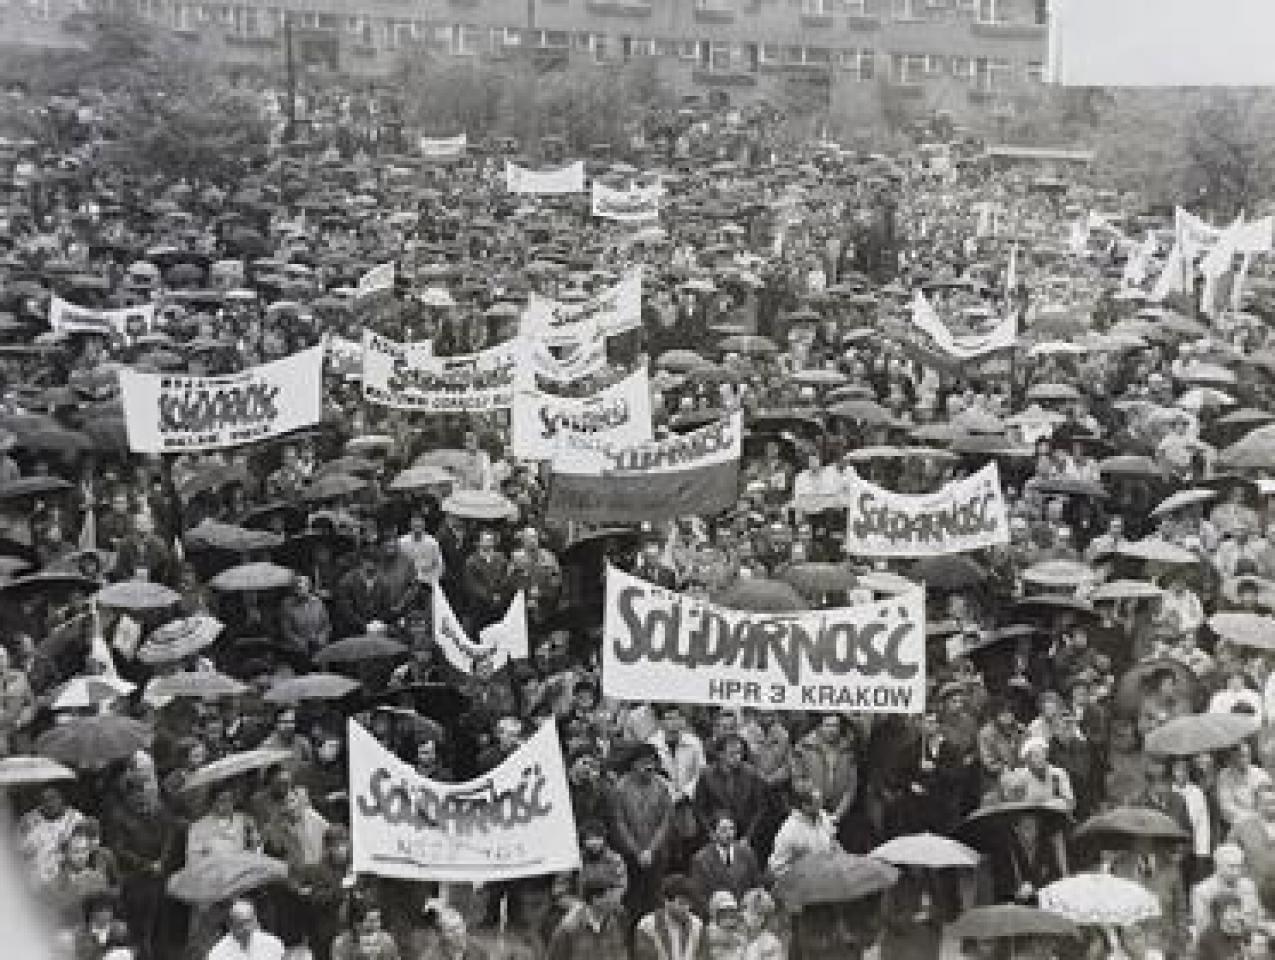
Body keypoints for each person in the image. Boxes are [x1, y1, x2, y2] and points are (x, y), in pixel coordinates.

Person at [611, 742, 674, 920]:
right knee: (632, 900)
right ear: (633, 764)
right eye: (643, 762)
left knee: (654, 897)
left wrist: (651, 850)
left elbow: (666, 820)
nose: (648, 766)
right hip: (629, 857)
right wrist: (637, 851)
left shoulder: (662, 786)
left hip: (657, 854)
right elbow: (619, 823)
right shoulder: (620, 788)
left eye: (652, 762)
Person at [546, 877, 628, 960]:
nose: (616, 900)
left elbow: (622, 954)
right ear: (596, 899)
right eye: (611, 896)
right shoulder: (568, 929)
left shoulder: (617, 923)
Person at [1191, 843, 1264, 938]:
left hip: (1249, 942)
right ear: (1218, 866)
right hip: (1217, 944)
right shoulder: (1202, 891)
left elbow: (1258, 917)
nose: (1236, 871)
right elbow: (1204, 929)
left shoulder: (1248, 886)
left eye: (1239, 866)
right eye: (1231, 866)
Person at [689, 811, 762, 902]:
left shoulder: (747, 853)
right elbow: (700, 896)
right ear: (713, 834)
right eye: (723, 830)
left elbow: (757, 885)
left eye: (731, 829)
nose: (728, 834)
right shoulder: (701, 859)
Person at [768, 788, 838, 879]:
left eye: (820, 803)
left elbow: (832, 840)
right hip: (799, 881)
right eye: (816, 804)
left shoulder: (823, 816)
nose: (821, 807)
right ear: (804, 806)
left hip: (825, 873)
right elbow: (777, 867)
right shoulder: (789, 830)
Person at [634, 875, 707, 960]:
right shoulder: (646, 925)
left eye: (689, 904)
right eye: (681, 903)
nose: (686, 908)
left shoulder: (698, 925)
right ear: (667, 901)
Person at [207, 900, 284, 960]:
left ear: (256, 920)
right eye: (241, 924)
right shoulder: (217, 955)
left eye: (249, 921)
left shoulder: (272, 944)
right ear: (231, 925)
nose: (247, 928)